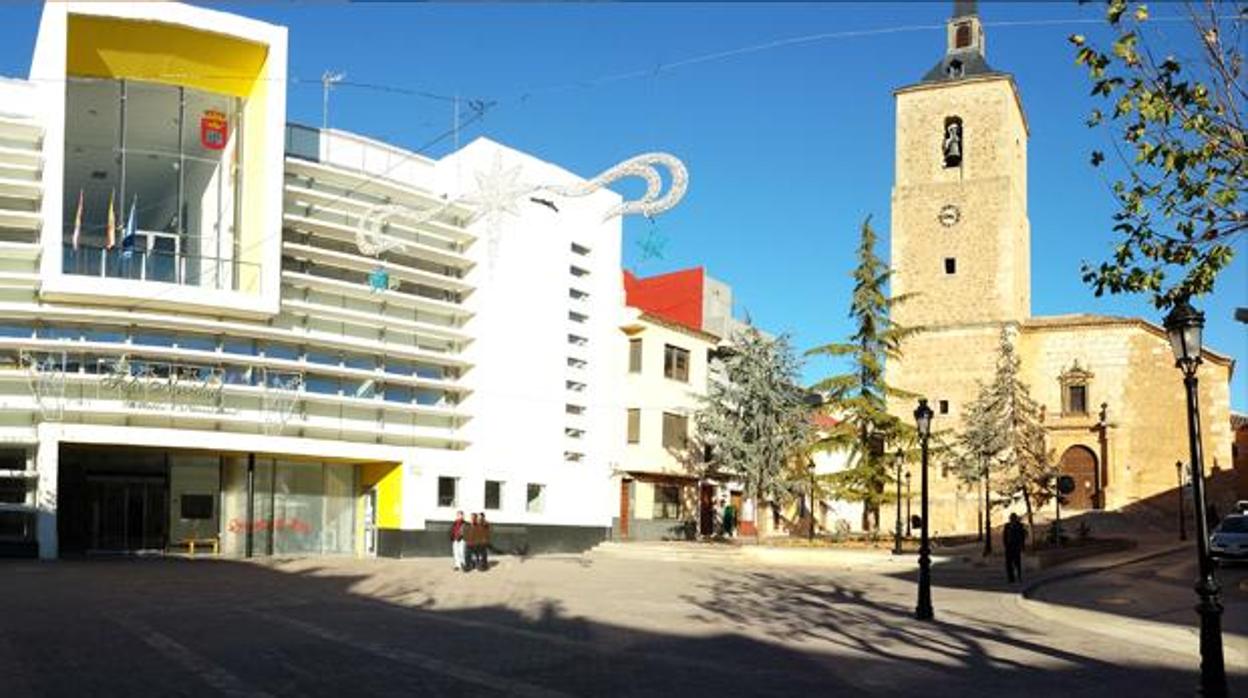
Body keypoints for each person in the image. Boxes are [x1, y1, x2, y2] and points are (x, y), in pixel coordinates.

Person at [1003, 513, 1027, 584]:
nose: (1011, 519)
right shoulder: (1007, 526)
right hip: (1009, 547)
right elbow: (1004, 536)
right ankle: (1011, 578)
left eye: (1013, 518)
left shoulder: (1019, 526)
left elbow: (1022, 536)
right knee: (1008, 563)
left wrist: (1022, 545)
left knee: (1017, 562)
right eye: (1010, 518)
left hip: (1016, 546)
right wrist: (1005, 544)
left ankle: (1019, 575)